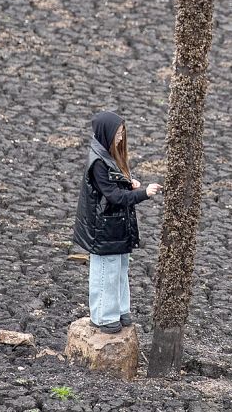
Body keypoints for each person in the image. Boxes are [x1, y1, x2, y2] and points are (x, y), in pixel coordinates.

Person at [73, 111, 162, 333]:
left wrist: (128, 182)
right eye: (118, 134)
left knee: (120, 268)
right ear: (108, 134)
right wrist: (143, 193)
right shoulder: (99, 163)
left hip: (114, 226)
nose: (121, 138)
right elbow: (113, 196)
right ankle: (103, 316)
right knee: (107, 271)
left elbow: (114, 186)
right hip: (104, 229)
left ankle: (120, 310)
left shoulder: (105, 156)